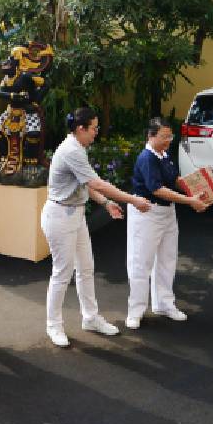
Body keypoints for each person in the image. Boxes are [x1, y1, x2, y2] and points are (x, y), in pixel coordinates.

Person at [41, 107, 152, 348]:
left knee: (86, 269)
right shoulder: (71, 150)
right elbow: (96, 182)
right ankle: (54, 325)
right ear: (81, 128)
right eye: (94, 128)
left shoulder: (78, 148)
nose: (96, 133)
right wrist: (132, 199)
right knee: (62, 273)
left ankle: (90, 318)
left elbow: (85, 185)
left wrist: (106, 202)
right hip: (60, 216)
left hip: (75, 215)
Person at [125, 117, 209, 330]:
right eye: (164, 137)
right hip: (147, 212)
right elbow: (157, 189)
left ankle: (164, 303)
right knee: (140, 262)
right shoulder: (147, 158)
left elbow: (175, 179)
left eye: (170, 136)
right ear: (150, 136)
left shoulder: (164, 155)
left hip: (167, 213)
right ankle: (135, 311)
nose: (168, 140)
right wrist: (190, 200)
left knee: (167, 259)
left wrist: (198, 187)